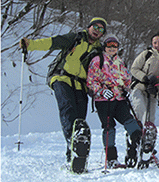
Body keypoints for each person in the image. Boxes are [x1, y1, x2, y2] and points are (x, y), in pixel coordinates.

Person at [19, 17, 107, 162]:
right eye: (95, 27)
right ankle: (73, 144)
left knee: (80, 119)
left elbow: (105, 67)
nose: (97, 31)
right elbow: (52, 42)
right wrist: (30, 44)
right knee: (67, 108)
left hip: (81, 84)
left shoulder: (98, 50)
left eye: (101, 29)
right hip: (61, 77)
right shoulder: (75, 38)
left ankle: (74, 155)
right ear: (89, 27)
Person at [87, 35, 142, 168]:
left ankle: (136, 147)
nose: (112, 48)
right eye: (109, 46)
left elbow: (126, 78)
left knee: (130, 121)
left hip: (119, 98)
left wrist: (126, 87)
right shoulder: (97, 60)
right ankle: (111, 159)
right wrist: (100, 90)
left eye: (115, 46)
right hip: (104, 100)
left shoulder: (120, 61)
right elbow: (91, 80)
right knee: (109, 127)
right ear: (105, 47)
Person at [130, 32, 159, 124]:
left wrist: (157, 86)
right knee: (140, 109)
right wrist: (145, 78)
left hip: (152, 91)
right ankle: (135, 132)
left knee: (150, 118)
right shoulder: (146, 54)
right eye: (155, 43)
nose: (157, 45)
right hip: (139, 88)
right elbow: (134, 69)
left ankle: (149, 135)